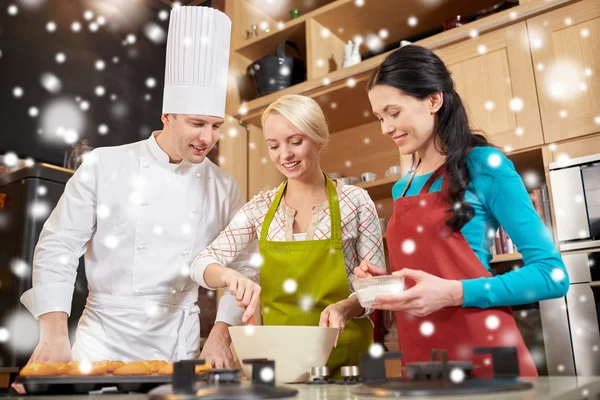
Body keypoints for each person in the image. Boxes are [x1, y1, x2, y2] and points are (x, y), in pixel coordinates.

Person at [20, 6, 258, 366]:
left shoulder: (224, 186)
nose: (207, 138)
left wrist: (222, 335)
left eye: (215, 125)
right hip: (102, 342)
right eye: (197, 123)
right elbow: (59, 246)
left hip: (178, 343)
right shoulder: (105, 164)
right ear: (167, 116)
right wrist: (53, 335)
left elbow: (245, 265)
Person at [355, 44, 569, 377]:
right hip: (425, 362)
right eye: (379, 117)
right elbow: (425, 276)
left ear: (433, 100)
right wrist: (384, 282)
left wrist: (454, 293)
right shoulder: (403, 187)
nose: (385, 127)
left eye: (394, 113)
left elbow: (553, 275)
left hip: (486, 356)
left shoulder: (486, 166)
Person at [190, 94, 385, 375]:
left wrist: (345, 307)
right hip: (281, 364)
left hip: (347, 360)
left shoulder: (355, 202)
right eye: (273, 145)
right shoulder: (260, 208)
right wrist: (229, 276)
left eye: (296, 142)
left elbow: (376, 289)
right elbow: (201, 264)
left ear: (319, 139)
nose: (285, 155)